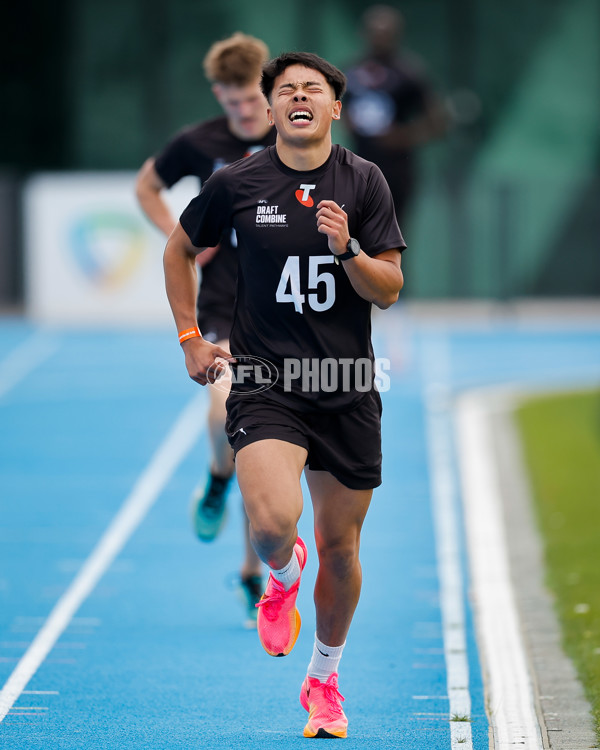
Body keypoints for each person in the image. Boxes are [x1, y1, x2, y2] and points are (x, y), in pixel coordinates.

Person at [164, 51, 405, 738]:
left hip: (347, 386)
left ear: (335, 107)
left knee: (342, 549)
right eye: (286, 90)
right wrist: (189, 337)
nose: (299, 98)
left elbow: (388, 289)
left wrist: (348, 249)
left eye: (314, 90)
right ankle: (279, 572)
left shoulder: (365, 182)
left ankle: (324, 680)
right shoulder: (238, 183)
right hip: (267, 384)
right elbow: (177, 250)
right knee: (273, 524)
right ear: (269, 108)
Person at [135, 32, 276, 627]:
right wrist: (184, 236)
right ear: (218, 95)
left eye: (252, 101)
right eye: (232, 102)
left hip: (287, 315)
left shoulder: (295, 137)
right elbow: (147, 185)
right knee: (226, 418)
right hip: (223, 308)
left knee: (266, 453)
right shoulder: (200, 143)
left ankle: (251, 574)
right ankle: (218, 481)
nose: (244, 114)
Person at [343, 4, 447, 226]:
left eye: (386, 33)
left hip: (396, 170)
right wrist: (346, 120)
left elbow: (438, 121)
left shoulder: (410, 73)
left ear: (397, 35)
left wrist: (404, 136)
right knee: (356, 231)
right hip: (357, 167)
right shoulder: (351, 72)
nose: (379, 38)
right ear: (364, 33)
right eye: (375, 32)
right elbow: (336, 107)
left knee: (392, 233)